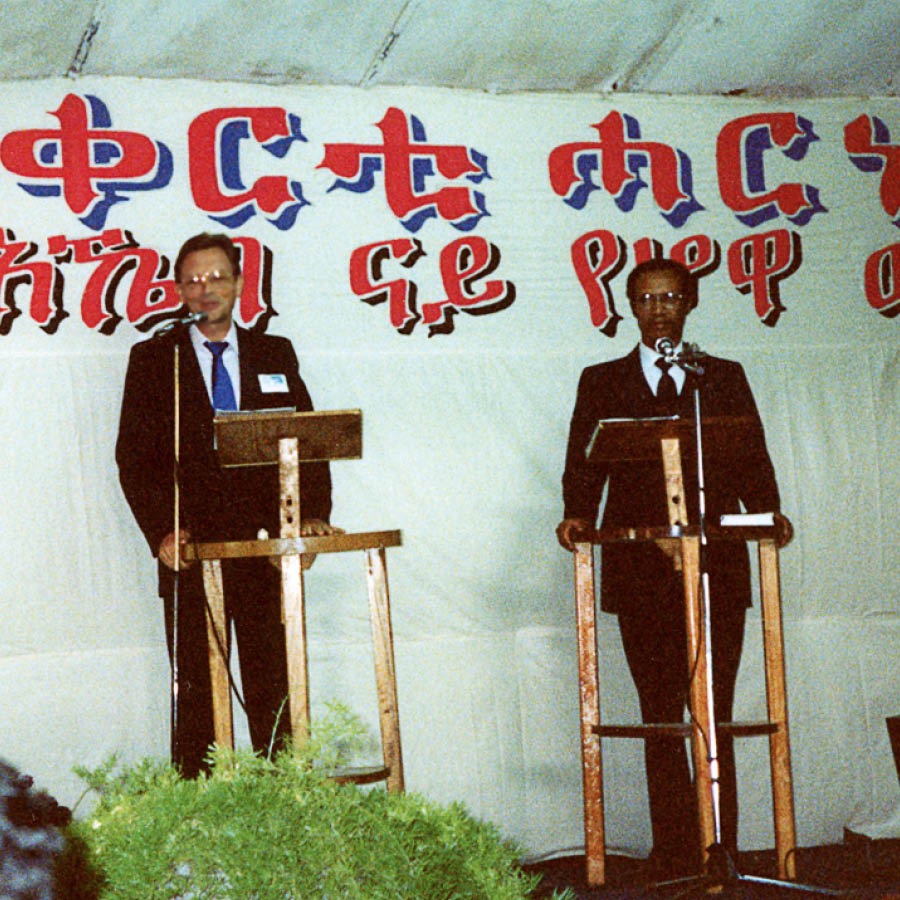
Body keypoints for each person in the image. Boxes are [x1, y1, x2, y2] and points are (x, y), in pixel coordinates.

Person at [556, 258, 792, 878]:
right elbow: (583, 465)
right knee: (660, 713)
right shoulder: (601, 380)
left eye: (670, 298)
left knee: (712, 712)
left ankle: (723, 847)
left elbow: (750, 457)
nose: (658, 309)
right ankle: (673, 851)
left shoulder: (720, 377)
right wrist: (576, 515)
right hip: (640, 568)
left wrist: (768, 512)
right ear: (630, 306)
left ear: (689, 303)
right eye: (645, 299)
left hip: (716, 564)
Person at [116, 232, 339, 778]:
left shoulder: (273, 353)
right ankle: (199, 825)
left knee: (273, 688)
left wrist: (312, 517)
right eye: (192, 280)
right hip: (190, 549)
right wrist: (163, 534)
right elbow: (134, 457)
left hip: (265, 545)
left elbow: (306, 444)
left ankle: (284, 810)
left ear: (240, 284)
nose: (205, 289)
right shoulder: (154, 358)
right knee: (195, 695)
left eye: (216, 277)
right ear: (178, 290)